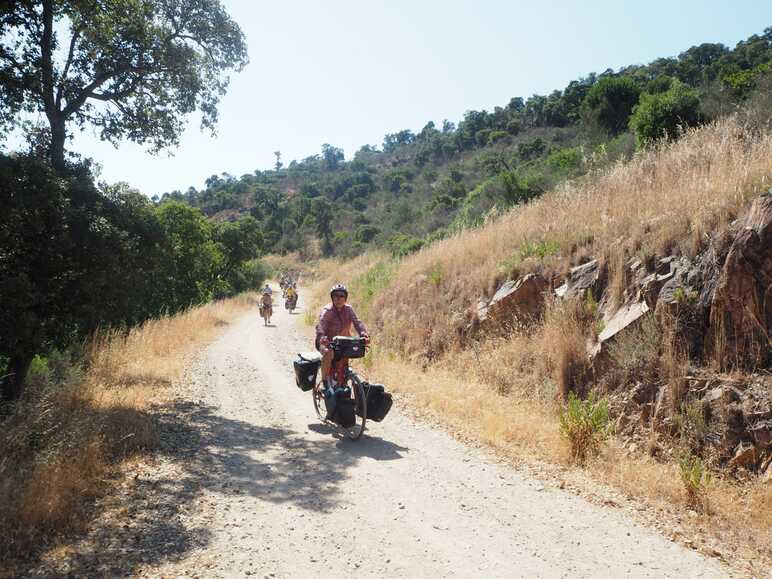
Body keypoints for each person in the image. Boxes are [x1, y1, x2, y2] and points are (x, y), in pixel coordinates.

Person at [315, 283, 369, 388]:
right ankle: (325, 381)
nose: (339, 299)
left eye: (341, 296)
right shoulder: (327, 311)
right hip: (327, 342)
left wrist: (364, 334)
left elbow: (357, 322)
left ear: (345, 298)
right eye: (336, 296)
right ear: (332, 298)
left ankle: (343, 384)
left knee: (344, 363)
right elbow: (321, 326)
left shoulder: (348, 309)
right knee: (328, 353)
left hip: (343, 343)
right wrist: (322, 338)